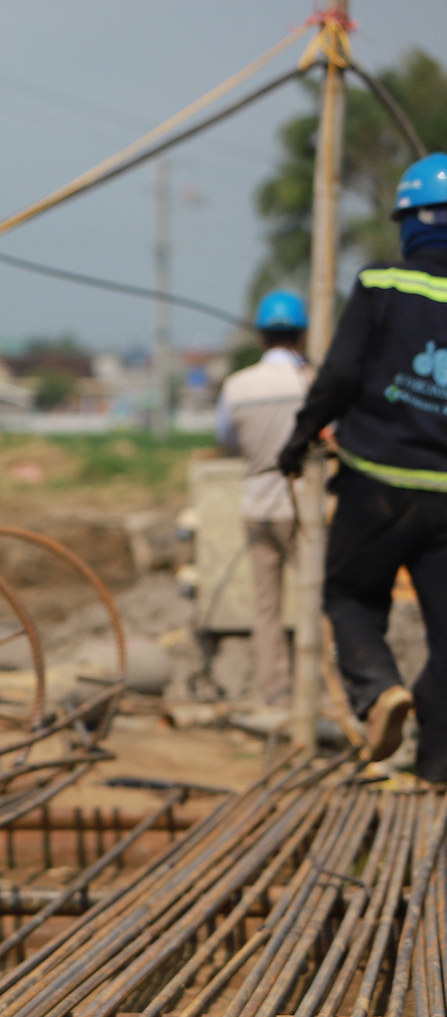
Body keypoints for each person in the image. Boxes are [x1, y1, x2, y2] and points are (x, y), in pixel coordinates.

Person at [279, 152, 447, 778]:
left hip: (378, 481)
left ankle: (379, 692)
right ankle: (437, 766)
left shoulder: (384, 286)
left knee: (349, 596)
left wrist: (297, 442)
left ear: (412, 221)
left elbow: (340, 377)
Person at [216, 290, 312, 709]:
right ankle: (320, 692)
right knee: (317, 600)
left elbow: (226, 440)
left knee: (266, 608)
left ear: (260, 337)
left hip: (255, 505)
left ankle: (275, 696)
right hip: (303, 507)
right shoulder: (312, 382)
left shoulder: (237, 386)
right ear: (302, 334)